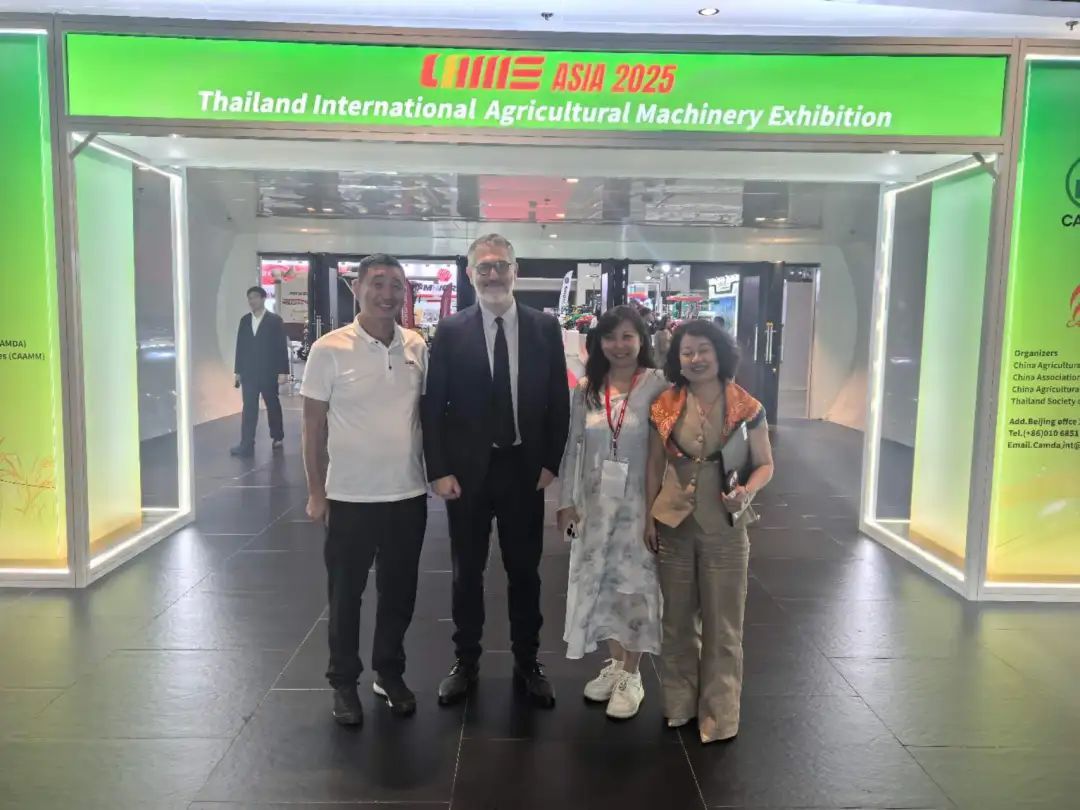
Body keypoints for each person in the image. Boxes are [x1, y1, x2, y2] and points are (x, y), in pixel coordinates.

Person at [422, 233, 570, 709]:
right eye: (483, 267)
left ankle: (528, 662)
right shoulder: (451, 331)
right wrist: (439, 469)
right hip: (466, 474)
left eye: (500, 265)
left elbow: (558, 402)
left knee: (525, 571)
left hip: (524, 470)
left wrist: (550, 462)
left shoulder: (544, 328)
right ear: (470, 275)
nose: (492, 274)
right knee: (466, 572)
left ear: (515, 271)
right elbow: (433, 405)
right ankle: (465, 662)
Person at [300, 254, 429, 727]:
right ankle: (343, 682)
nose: (387, 294)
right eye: (378, 283)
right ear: (357, 288)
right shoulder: (329, 349)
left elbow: (425, 416)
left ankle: (389, 673)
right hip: (349, 497)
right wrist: (317, 492)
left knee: (399, 594)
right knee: (345, 596)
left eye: (396, 284)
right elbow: (312, 427)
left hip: (407, 493)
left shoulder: (416, 345)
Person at [645, 320, 774, 744]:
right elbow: (653, 466)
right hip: (673, 525)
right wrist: (648, 518)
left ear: (720, 353)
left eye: (703, 349)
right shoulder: (665, 404)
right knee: (676, 621)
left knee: (724, 626)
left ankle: (720, 716)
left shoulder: (748, 407)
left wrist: (747, 493)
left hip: (726, 529)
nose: (695, 358)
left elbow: (765, 464)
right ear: (676, 358)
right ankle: (679, 705)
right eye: (686, 352)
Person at [557, 305, 668, 720]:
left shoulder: (659, 386)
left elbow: (665, 452)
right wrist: (565, 502)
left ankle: (632, 674)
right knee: (600, 582)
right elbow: (572, 447)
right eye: (610, 337)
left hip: (639, 505)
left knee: (634, 587)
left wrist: (658, 512)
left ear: (641, 340)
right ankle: (617, 664)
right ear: (598, 342)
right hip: (594, 506)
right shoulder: (587, 388)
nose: (619, 345)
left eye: (627, 336)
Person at [231, 286, 290, 457]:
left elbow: (281, 347)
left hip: (268, 371)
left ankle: (277, 436)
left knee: (272, 404)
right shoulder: (245, 321)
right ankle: (246, 443)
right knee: (249, 408)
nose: (252, 301)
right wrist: (238, 371)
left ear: (263, 299)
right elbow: (240, 347)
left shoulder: (274, 320)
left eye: (255, 297)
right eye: (249, 298)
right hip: (249, 372)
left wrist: (283, 371)